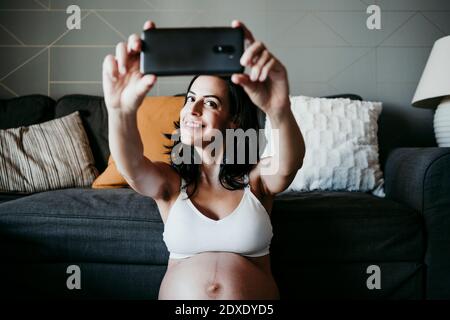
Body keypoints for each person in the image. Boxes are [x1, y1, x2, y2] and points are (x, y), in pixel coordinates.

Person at [102, 19, 305, 300]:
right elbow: (132, 166)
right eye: (190, 98)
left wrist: (279, 109)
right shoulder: (171, 184)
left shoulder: (256, 181)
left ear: (233, 122)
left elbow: (288, 164)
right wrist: (119, 111)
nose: (192, 109)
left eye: (210, 103)